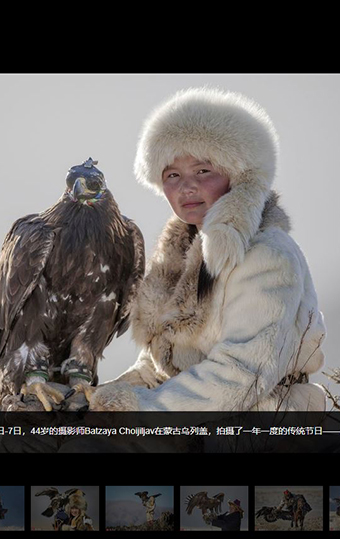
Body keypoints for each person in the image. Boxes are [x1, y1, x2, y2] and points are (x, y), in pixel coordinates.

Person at [83, 86, 327, 412]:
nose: (187, 187)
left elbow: (242, 375)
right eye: (172, 174)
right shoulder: (177, 258)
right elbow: (158, 368)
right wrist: (94, 401)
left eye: (203, 170)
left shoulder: (267, 254)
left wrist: (137, 412)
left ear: (237, 174)